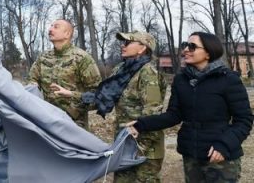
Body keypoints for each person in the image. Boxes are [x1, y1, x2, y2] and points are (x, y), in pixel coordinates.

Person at [128, 32, 253, 182]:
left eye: (192, 46)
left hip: (221, 157)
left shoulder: (228, 79)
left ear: (208, 52)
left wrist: (224, 145)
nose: (185, 50)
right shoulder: (181, 80)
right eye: (185, 45)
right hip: (191, 155)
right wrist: (141, 124)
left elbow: (244, 120)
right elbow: (174, 115)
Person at [52, 31, 165, 182]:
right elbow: (103, 98)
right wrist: (71, 94)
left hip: (146, 148)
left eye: (127, 43)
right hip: (124, 142)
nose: (122, 46)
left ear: (142, 48)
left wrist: (141, 147)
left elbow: (153, 113)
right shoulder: (121, 70)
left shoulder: (147, 72)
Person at [28, 19, 101, 130]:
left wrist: (71, 94)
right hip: (47, 122)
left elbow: (98, 95)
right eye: (51, 26)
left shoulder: (82, 58)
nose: (50, 29)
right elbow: (31, 84)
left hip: (74, 126)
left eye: (56, 27)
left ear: (67, 34)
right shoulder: (43, 58)